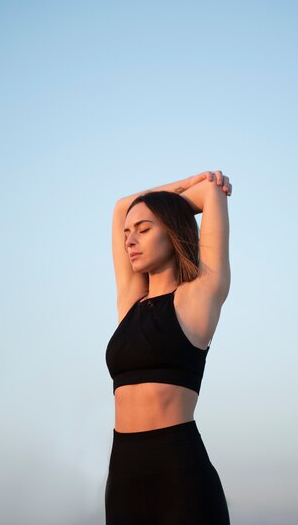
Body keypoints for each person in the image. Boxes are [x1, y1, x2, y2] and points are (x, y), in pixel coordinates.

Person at [105, 170, 232, 525]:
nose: (130, 239)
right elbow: (120, 209)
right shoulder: (131, 303)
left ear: (172, 229)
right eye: (129, 234)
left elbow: (209, 192)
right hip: (122, 476)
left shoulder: (198, 297)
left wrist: (190, 190)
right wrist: (182, 184)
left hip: (180, 476)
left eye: (144, 230)